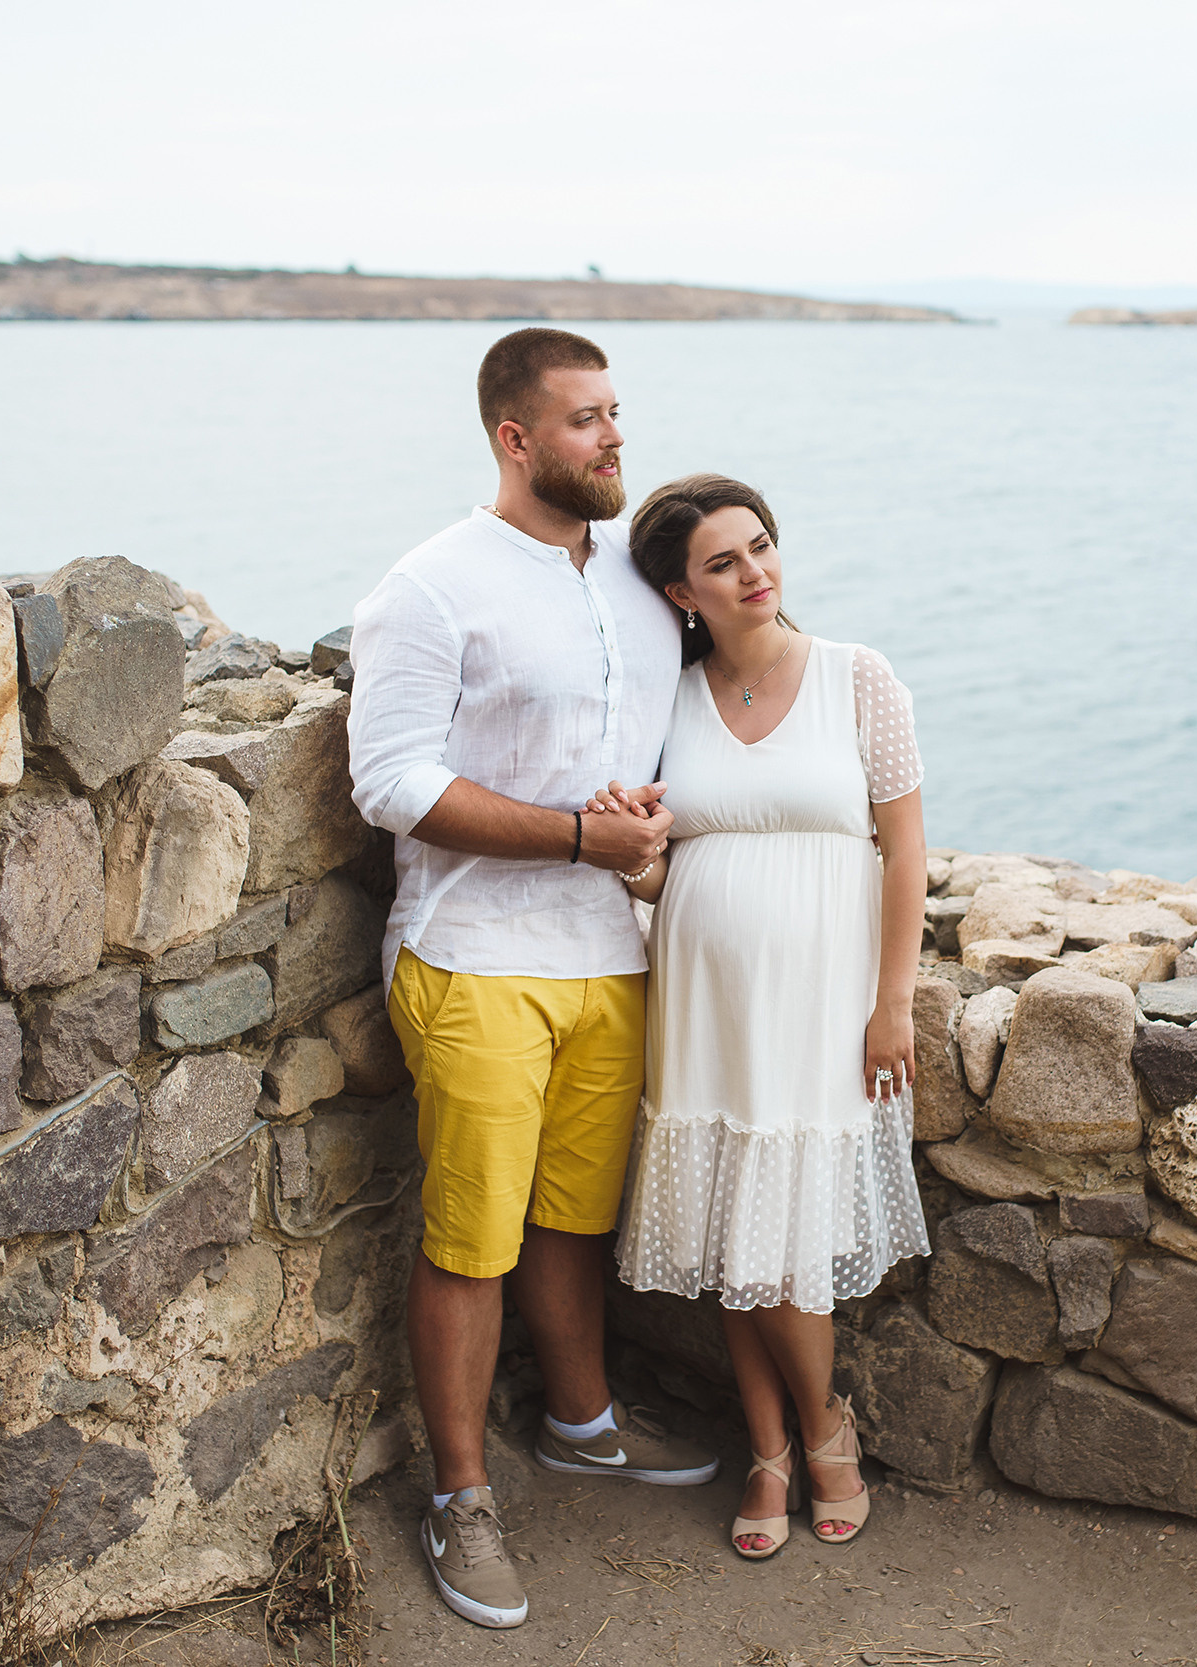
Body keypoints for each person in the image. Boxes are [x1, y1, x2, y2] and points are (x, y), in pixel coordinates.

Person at [344, 328, 718, 1632]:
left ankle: (582, 1420)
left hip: (612, 955)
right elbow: (391, 780)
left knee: (571, 1219)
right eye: (584, 419)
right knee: (471, 1241)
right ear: (515, 438)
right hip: (477, 957)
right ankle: (460, 1495)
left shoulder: (641, 579)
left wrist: (651, 828)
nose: (614, 438)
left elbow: (673, 735)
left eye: (616, 412)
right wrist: (575, 836)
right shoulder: (430, 587)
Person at [585, 473, 931, 1560]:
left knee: (779, 1248)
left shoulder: (857, 677)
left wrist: (892, 1002)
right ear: (681, 593)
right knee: (735, 1227)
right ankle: (773, 1447)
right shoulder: (671, 699)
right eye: (723, 562)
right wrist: (628, 850)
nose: (754, 572)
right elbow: (660, 873)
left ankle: (822, 1428)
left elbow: (905, 853)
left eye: (762, 546)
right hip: (704, 1000)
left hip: (823, 1001)